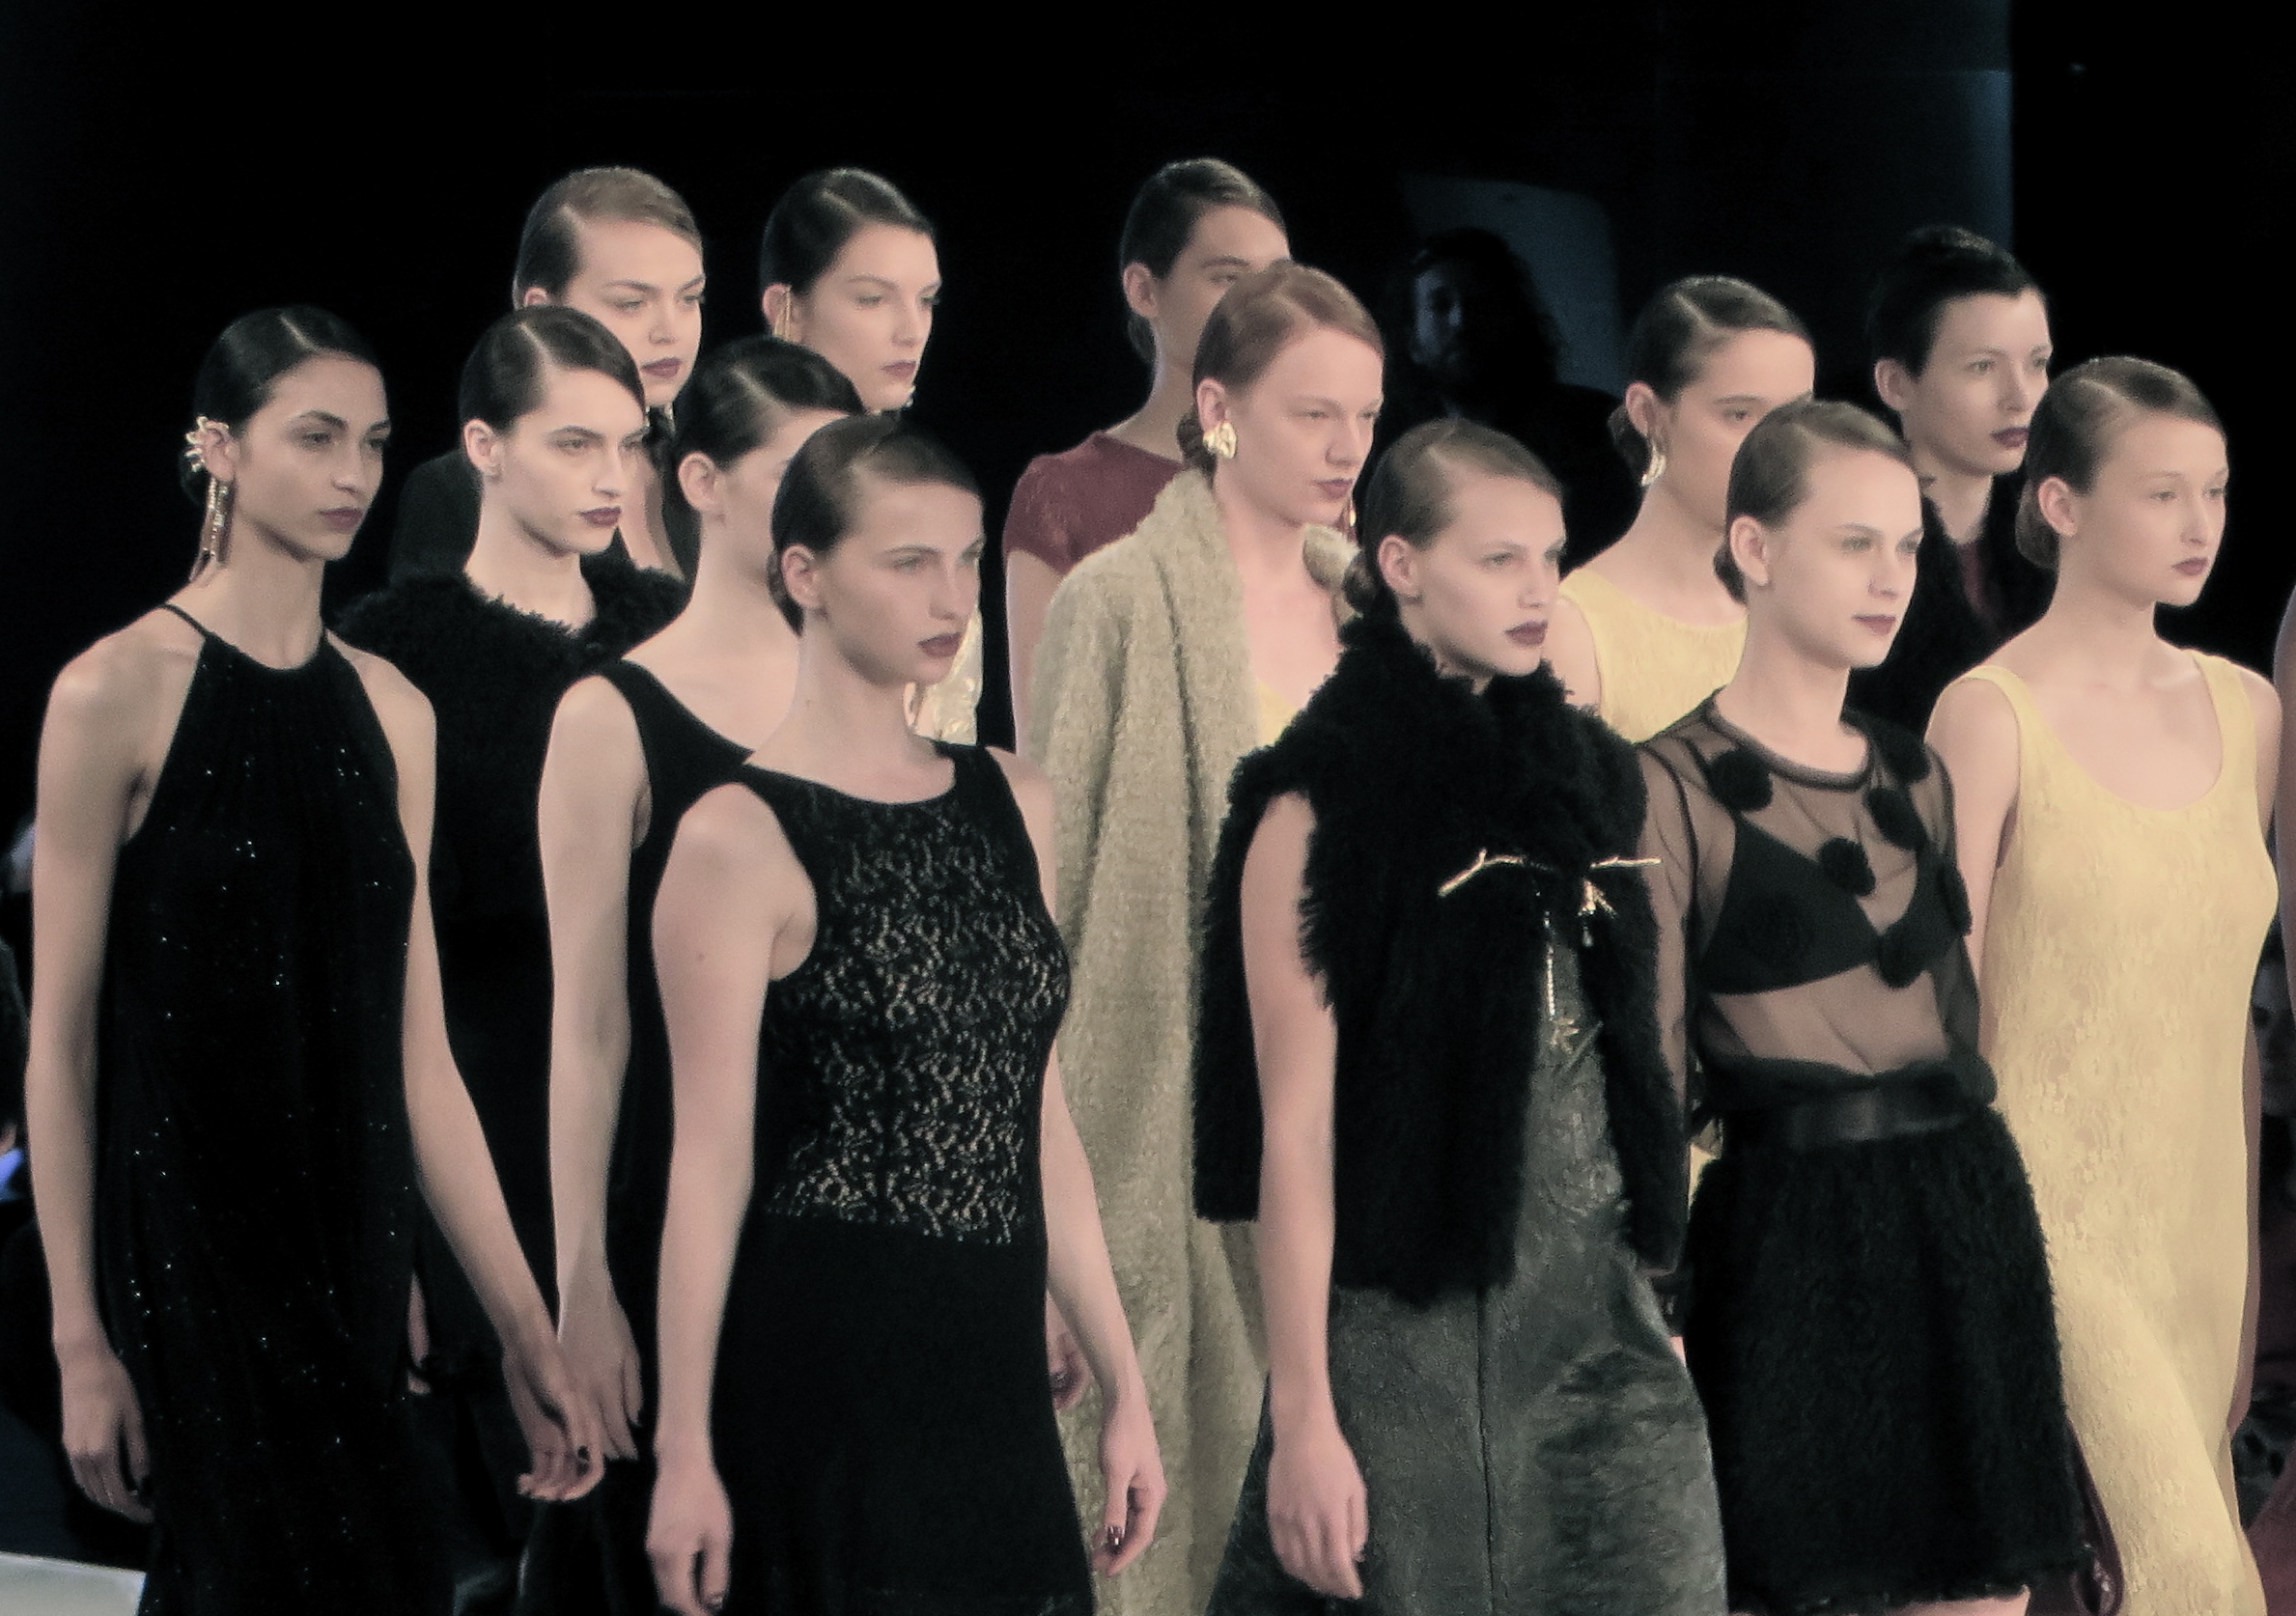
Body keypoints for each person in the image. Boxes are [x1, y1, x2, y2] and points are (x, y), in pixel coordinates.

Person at [24, 307, 598, 1613]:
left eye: (375, 443)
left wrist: (524, 1326)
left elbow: (421, 1058)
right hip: (190, 1246)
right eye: (317, 437)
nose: (353, 474)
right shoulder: (112, 691)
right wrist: (78, 1337)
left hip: (353, 1248)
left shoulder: (395, 713)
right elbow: (59, 1046)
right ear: (219, 447)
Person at [1190, 418, 1727, 1611]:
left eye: (1549, 558)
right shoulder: (1317, 804)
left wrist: (1656, 1296)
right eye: (1498, 560)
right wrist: (1304, 1419)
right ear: (1399, 565)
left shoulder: (1589, 777)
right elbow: (1294, 1132)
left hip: (1604, 1324)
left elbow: (1620, 1063)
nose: (1538, 590)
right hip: (1413, 1334)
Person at [643, 414, 1163, 1614]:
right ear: (804, 574)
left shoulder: (1011, 797)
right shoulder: (733, 837)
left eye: (966, 558)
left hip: (993, 1358)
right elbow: (705, 1167)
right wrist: (682, 1449)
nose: (951, 597)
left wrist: (1125, 1380)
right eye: (907, 561)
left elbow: (1038, 1115)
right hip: (826, 1362)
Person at [1643, 397, 2086, 1614]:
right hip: (1787, 1238)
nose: (1891, 578)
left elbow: (1955, 1020)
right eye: (1853, 544)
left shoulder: (1914, 770)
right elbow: (1644, 1074)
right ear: (1751, 546)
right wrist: (1654, 1301)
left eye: (1904, 545)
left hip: (1962, 1211)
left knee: (1988, 1595)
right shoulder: (1662, 786)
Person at [1028, 261, 1377, 1614]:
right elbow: (1059, 907)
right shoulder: (1117, 601)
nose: (1346, 446)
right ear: (1219, 409)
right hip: (1176, 1119)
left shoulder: (1376, 618)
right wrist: (1051, 1237)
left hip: (1361, 1124)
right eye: (1312, 413)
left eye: (1365, 415)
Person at [338, 304, 686, 1606]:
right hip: (483, 1134)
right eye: (572, 443)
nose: (611, 477)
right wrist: (402, 1237)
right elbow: (378, 975)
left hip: (670, 1132)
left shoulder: (674, 631)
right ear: (484, 447)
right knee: (534, 1529)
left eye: (629, 445)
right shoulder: (393, 656)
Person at [1932, 357, 2273, 1614]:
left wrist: (2245, 1264)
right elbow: (1943, 1014)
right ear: (2060, 502)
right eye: (2160, 492)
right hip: (2045, 1217)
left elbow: (2231, 1017)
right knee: (2189, 1575)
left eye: (2214, 491)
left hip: (2198, 1225)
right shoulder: (1986, 714)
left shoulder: (2249, 712)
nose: (2198, 524)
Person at [531, 337, 860, 1614]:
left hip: (855, 1234)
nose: (823, 509)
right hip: (676, 1216)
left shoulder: (876, 699)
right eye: (793, 476)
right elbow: (587, 1028)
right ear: (703, 481)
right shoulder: (609, 715)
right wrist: (579, 1284)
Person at [1004, 159, 1290, 737]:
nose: (1260, 307)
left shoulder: (1306, 479)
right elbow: (1048, 742)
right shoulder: (1065, 491)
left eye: (1277, 281)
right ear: (1143, 289)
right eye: (1228, 278)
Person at [389, 167, 707, 583]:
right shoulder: (457, 491)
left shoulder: (709, 465)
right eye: (631, 303)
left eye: (689, 298)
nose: (670, 331)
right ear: (540, 308)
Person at [756, 167, 979, 741]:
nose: (912, 330)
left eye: (926, 300)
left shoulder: (929, 484)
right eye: (873, 299)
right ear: (787, 308)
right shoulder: (743, 488)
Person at [1544, 275, 1812, 742]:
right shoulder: (1575, 632)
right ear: (1648, 414)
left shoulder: (1799, 604)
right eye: (1739, 415)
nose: (1775, 450)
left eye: (1793, 418)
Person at [1847, 225, 2056, 729]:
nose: (2021, 396)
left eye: (2037, 364)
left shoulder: (2059, 541)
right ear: (1896, 384)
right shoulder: (1850, 556)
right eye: (1983, 367)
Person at [1381, 226, 1638, 566]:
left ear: (1512, 317)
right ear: (1413, 341)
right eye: (1441, 306)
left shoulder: (1596, 429)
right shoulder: (1400, 457)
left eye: (1480, 302)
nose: (1461, 320)